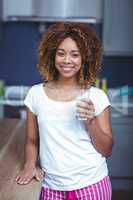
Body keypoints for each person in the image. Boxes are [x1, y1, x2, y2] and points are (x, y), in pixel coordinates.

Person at [16, 22, 113, 200]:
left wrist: (91, 122)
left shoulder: (97, 96)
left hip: (92, 184)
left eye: (75, 55)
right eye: (61, 53)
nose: (67, 60)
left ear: (85, 59)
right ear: (52, 56)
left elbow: (107, 149)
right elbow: (31, 140)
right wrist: (30, 164)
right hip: (51, 186)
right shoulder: (35, 94)